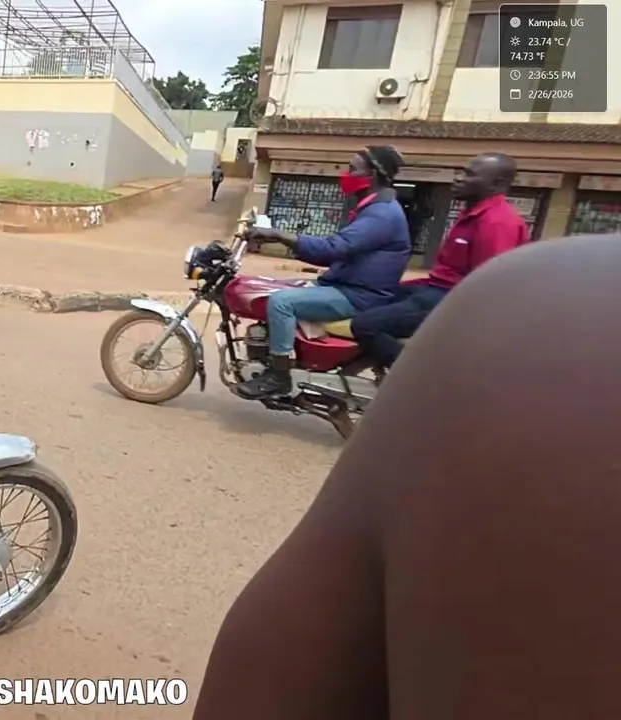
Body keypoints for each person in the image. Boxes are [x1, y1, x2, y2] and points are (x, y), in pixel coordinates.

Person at [193, 234, 621, 720]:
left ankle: (283, 374)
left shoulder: (541, 292)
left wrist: (287, 240)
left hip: (380, 298)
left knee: (283, 304)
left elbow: (273, 662)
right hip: (392, 290)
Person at [234, 146, 411, 400]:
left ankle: (279, 376)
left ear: (371, 174)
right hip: (346, 285)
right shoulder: (374, 207)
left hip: (358, 295)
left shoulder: (382, 214)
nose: (346, 174)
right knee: (277, 287)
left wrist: (278, 235)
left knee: (281, 302)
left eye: (352, 169)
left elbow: (333, 248)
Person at [350, 153, 530, 372]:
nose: (458, 178)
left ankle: (417, 375)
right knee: (370, 298)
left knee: (366, 325)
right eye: (461, 172)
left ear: (496, 183)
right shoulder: (472, 213)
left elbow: (490, 283)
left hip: (452, 298)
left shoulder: (497, 222)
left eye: (470, 174)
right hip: (434, 287)